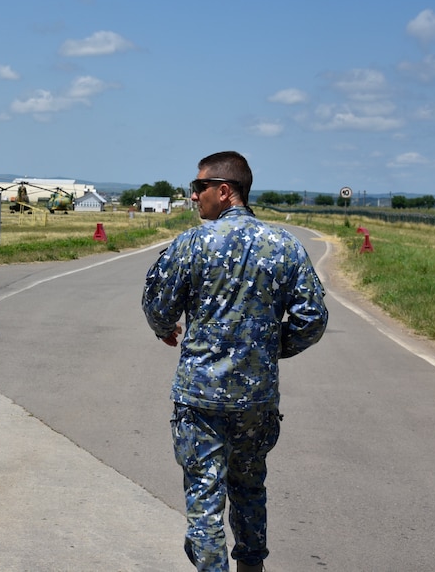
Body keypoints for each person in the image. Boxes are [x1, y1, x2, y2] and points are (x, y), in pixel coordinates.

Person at [141, 151, 328, 572]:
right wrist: (265, 347)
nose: (193, 196)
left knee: (205, 501)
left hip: (201, 399)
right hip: (256, 400)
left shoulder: (192, 244)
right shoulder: (284, 245)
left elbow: (156, 304)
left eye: (199, 187)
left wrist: (163, 327)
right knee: (249, 489)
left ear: (225, 191)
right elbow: (312, 319)